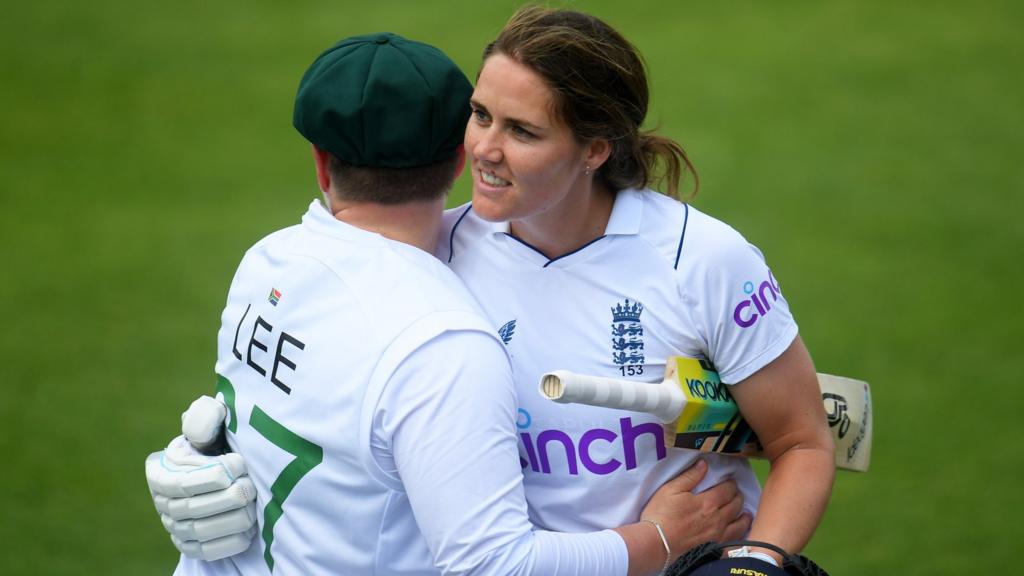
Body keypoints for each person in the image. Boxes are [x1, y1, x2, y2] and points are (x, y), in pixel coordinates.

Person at [146, 31, 750, 576]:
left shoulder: (266, 262)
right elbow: (496, 567)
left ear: (322, 162)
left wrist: (211, 457)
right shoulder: (441, 340)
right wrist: (661, 539)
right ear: (458, 157)